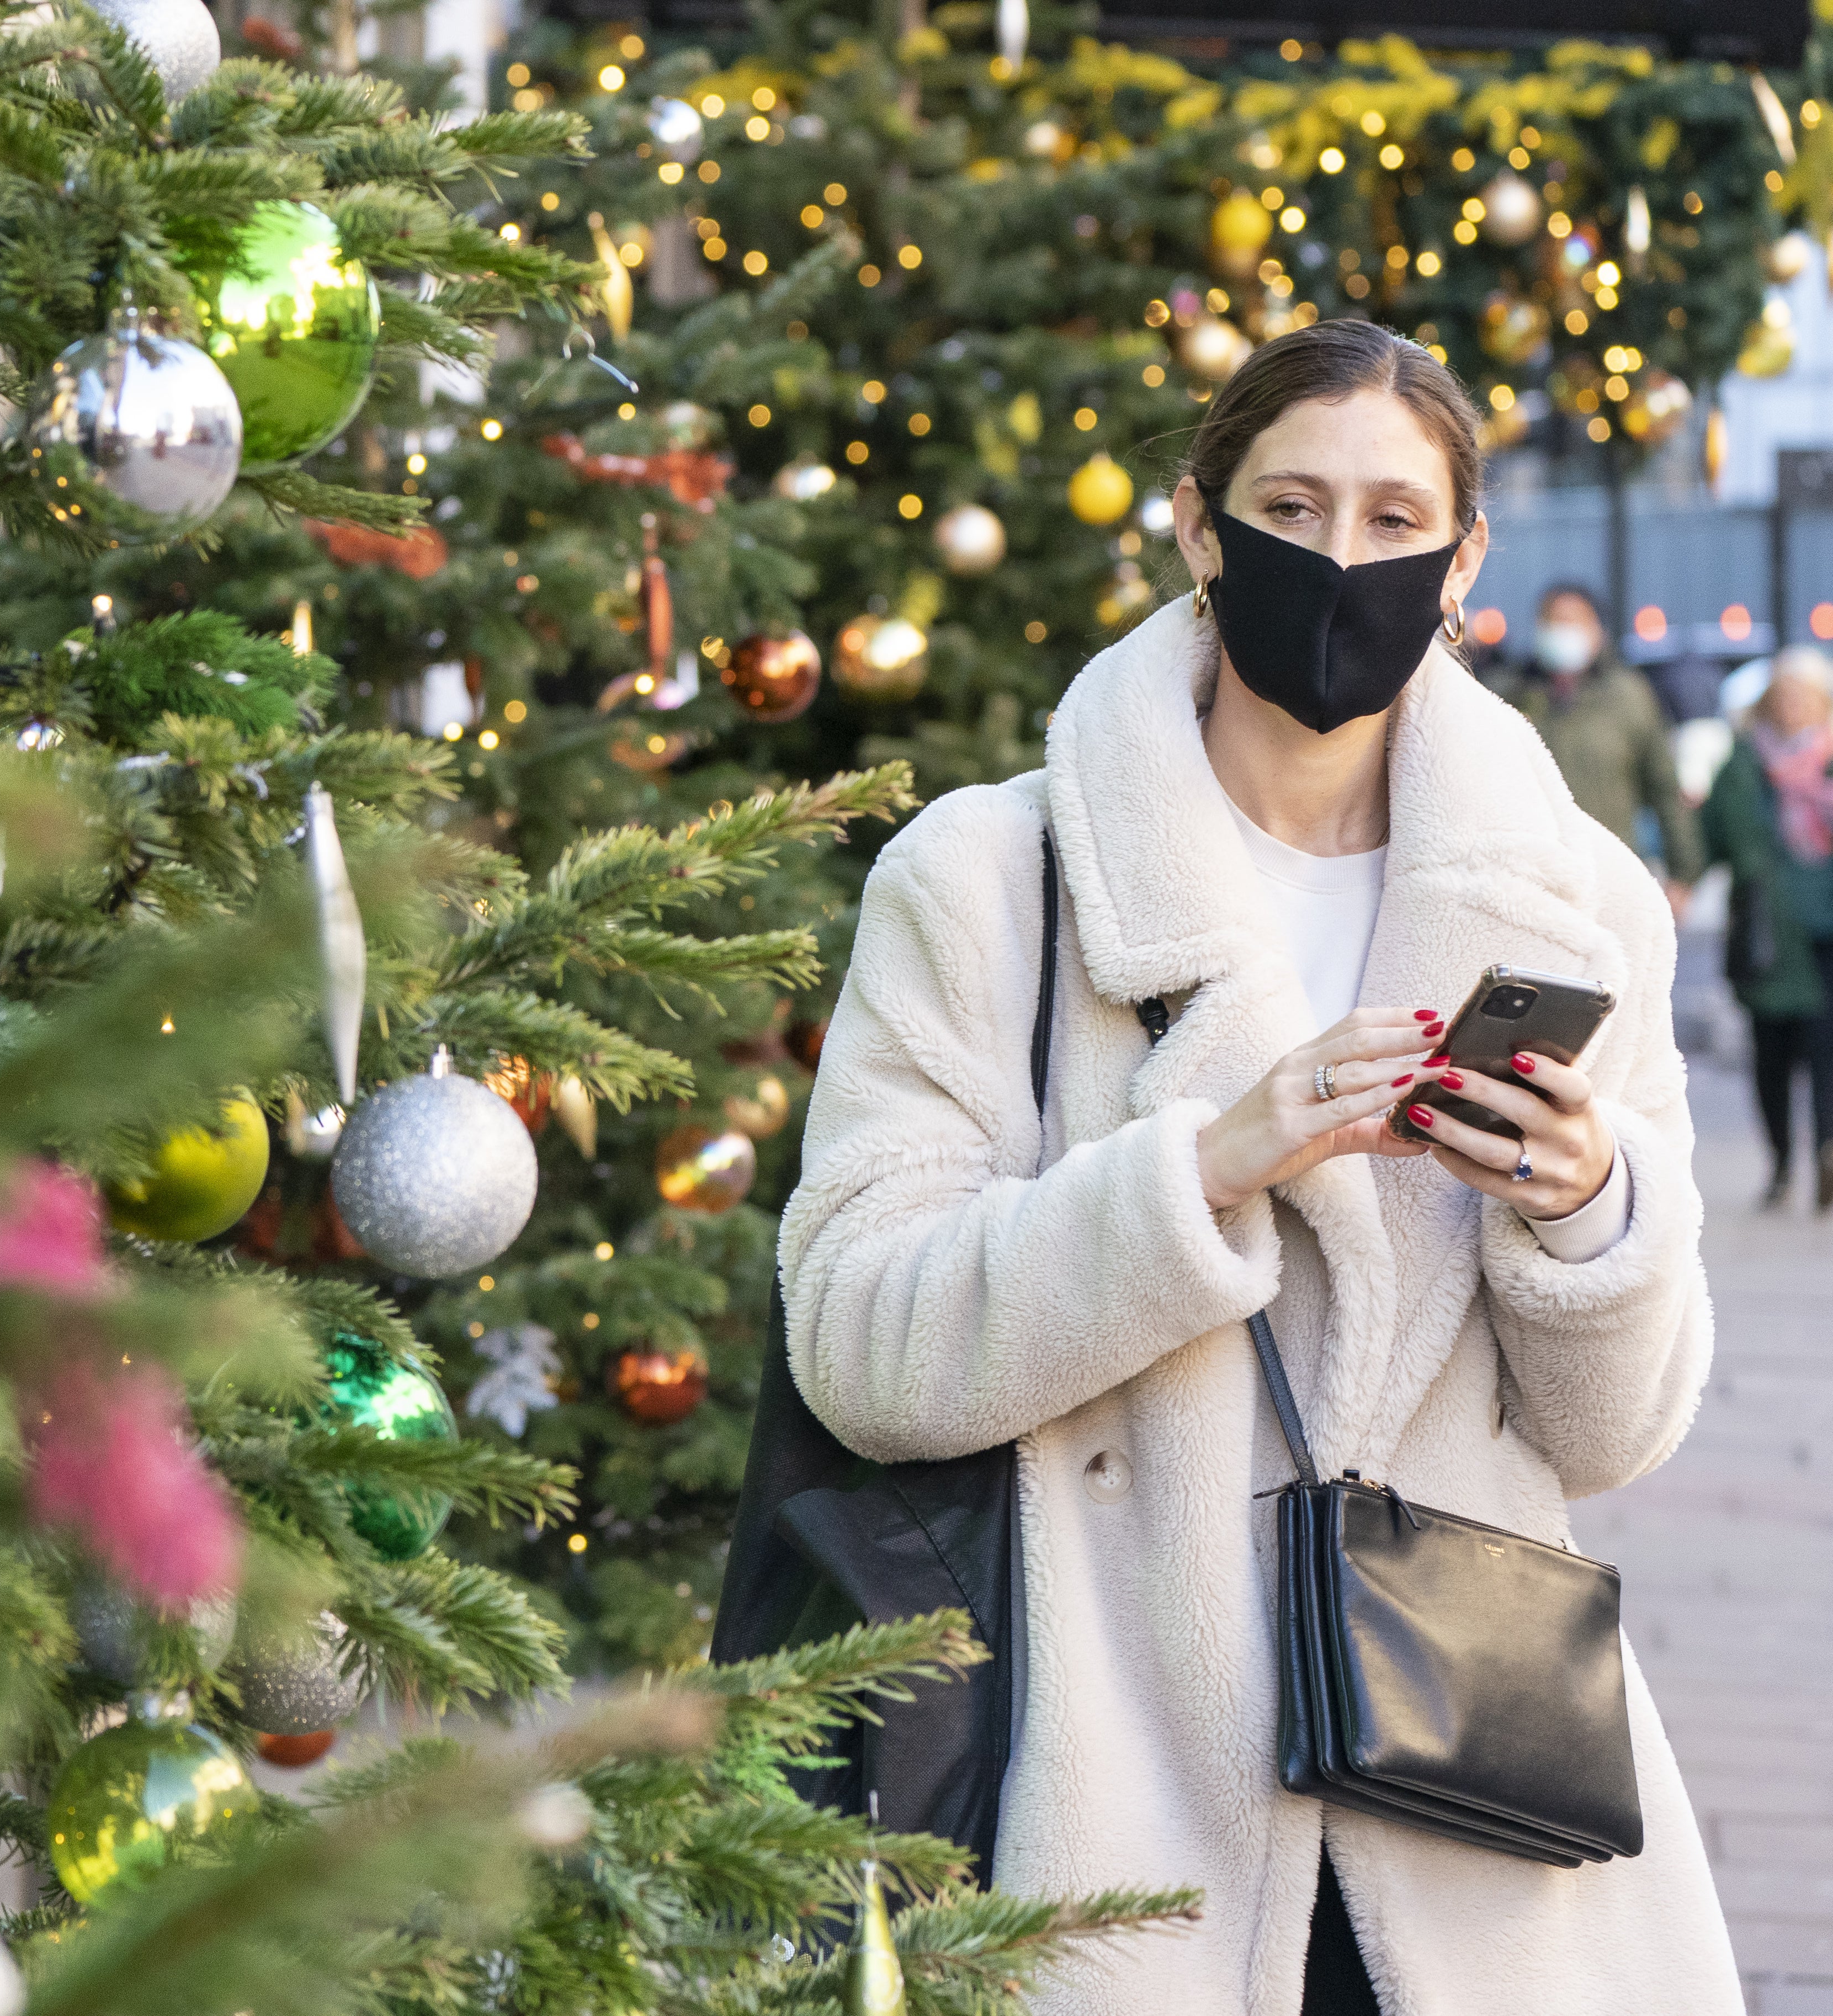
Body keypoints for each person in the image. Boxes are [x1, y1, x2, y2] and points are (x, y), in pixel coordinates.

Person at [782, 321, 1728, 2014]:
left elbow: (1611, 1434)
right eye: (1289, 505)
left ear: (1459, 562)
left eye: (1389, 518)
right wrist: (1200, 1170)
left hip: (1458, 1794)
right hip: (1100, 1785)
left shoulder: (1576, 908)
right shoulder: (993, 880)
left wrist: (1589, 1207)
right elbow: (860, 1342)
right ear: (1196, 526)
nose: (1339, 559)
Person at [1701, 646, 1833, 1209]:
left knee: (1825, 1049)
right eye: (1780, 696)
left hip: (1824, 932)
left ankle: (1827, 1151)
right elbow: (1711, 835)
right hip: (1765, 932)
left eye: (1801, 696)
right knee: (1770, 1055)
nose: (1790, 706)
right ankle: (1780, 1160)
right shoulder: (1741, 763)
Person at [1495, 582, 1704, 917]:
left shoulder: (1629, 696)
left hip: (1607, 873)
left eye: (1573, 622)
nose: (1561, 631)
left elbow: (1664, 788)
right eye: (1552, 621)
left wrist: (1684, 872)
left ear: (1597, 631)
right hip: (1525, 878)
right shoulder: (1508, 694)